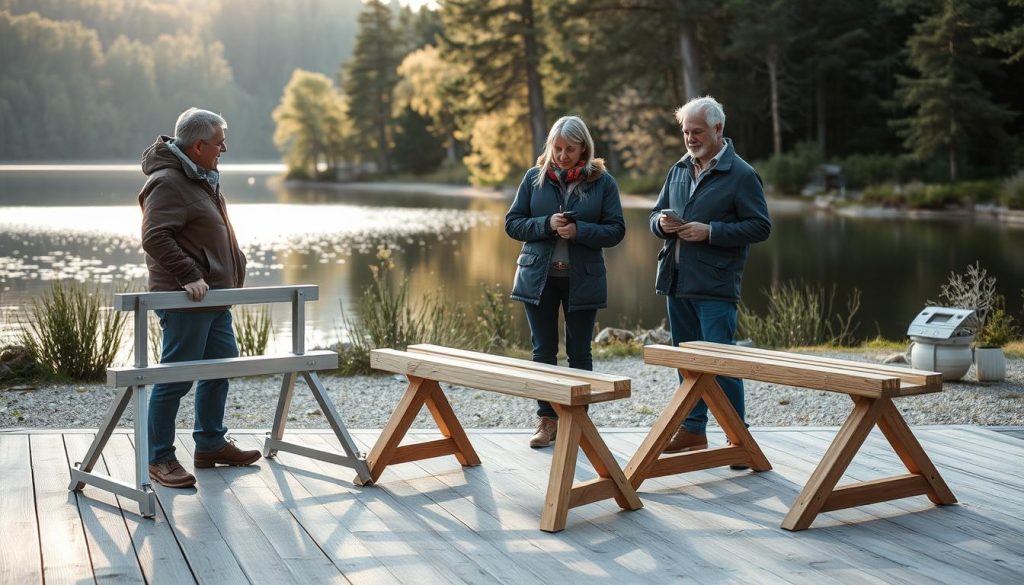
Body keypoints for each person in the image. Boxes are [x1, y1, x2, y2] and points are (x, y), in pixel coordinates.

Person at [139, 107, 261, 488]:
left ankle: (210, 444)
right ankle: (158, 458)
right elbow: (155, 236)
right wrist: (189, 275)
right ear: (197, 145)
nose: (224, 148)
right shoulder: (168, 181)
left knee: (220, 367)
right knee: (176, 378)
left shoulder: (199, 176)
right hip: (186, 299)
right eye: (219, 142)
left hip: (213, 299)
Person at [649, 96, 771, 461]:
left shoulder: (742, 175)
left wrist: (711, 232)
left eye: (697, 131)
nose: (690, 138)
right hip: (677, 280)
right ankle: (692, 431)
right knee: (688, 364)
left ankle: (739, 440)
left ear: (718, 129)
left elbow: (760, 226)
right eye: (686, 131)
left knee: (721, 365)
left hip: (716, 286)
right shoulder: (679, 169)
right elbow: (654, 214)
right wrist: (661, 224)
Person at [505, 115, 626, 448]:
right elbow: (513, 224)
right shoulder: (534, 178)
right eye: (557, 148)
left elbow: (617, 230)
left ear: (583, 147)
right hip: (537, 278)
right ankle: (547, 421)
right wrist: (546, 224)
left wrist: (580, 231)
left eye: (569, 149)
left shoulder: (603, 182)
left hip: (582, 279)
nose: (561, 156)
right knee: (543, 351)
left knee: (579, 352)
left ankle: (579, 422)